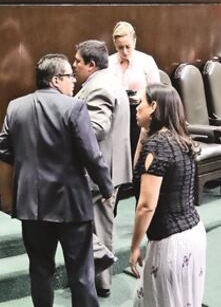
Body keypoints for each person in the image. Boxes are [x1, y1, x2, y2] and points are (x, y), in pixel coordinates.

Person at [0, 53, 113, 307]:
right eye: (70, 77)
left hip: (31, 204)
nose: (74, 82)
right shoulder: (74, 107)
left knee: (39, 270)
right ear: (56, 80)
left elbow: (2, 149)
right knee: (81, 273)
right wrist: (106, 186)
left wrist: (29, 161)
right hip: (69, 203)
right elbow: (91, 154)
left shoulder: (16, 106)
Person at [128, 83, 206, 307]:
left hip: (171, 242)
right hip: (192, 234)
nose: (136, 107)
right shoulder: (177, 138)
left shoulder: (158, 145)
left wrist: (134, 246)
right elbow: (139, 171)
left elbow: (146, 205)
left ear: (153, 106)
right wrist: (144, 132)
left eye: (140, 102)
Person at [72, 40, 130, 298]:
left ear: (91, 65)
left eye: (77, 61)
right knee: (100, 227)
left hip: (98, 172)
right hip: (108, 168)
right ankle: (100, 280)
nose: (73, 66)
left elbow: (96, 128)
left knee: (99, 228)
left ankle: (101, 283)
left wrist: (64, 126)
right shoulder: (109, 80)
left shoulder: (99, 87)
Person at [108, 21, 160, 95]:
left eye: (128, 47)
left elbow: (156, 92)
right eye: (120, 47)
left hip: (141, 105)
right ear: (115, 44)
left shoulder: (147, 61)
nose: (125, 52)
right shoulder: (108, 63)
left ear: (134, 41)